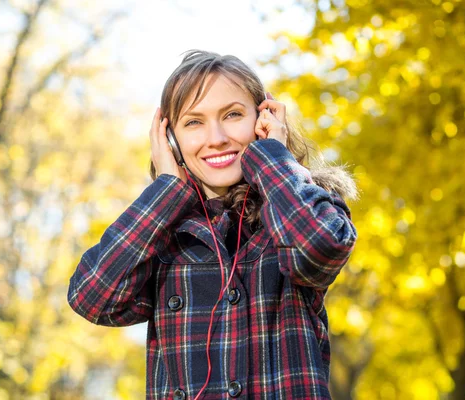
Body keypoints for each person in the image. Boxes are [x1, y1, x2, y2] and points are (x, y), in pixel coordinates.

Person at [68, 49, 359, 399]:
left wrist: (272, 159)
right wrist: (167, 191)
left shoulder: (300, 200)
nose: (217, 137)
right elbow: (92, 298)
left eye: (233, 115)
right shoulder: (161, 233)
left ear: (262, 118)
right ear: (170, 139)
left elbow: (321, 245)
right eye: (194, 122)